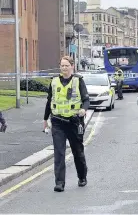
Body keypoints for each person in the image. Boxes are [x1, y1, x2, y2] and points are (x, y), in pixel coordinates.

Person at [43, 56, 90, 192]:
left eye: (67, 65)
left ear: (72, 66)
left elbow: (86, 100)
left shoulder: (78, 81)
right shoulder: (54, 81)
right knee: (59, 153)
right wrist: (45, 120)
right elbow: (49, 102)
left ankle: (82, 176)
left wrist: (83, 109)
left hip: (74, 122)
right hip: (57, 121)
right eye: (62, 65)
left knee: (77, 152)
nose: (64, 68)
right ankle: (59, 182)